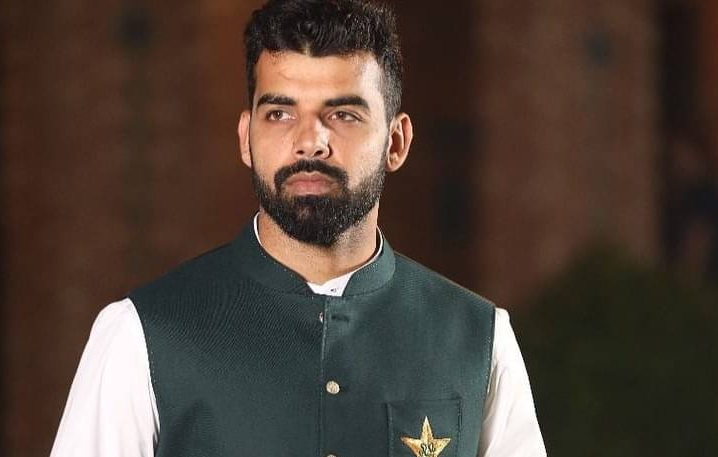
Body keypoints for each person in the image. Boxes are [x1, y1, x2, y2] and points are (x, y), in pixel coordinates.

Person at [50, 1, 546, 456]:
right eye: (280, 113)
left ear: (396, 142)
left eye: (343, 114)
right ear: (246, 138)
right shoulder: (139, 335)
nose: (311, 142)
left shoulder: (480, 339)